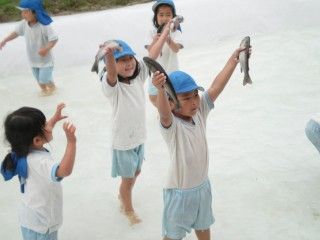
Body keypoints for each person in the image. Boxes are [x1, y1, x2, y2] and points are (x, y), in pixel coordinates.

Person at [152, 47, 250, 239]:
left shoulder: (200, 113)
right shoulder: (172, 127)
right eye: (186, 98)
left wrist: (234, 59)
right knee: (172, 236)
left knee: (204, 229)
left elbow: (215, 87)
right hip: (180, 195)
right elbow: (163, 113)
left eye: (195, 95)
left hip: (202, 188)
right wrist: (160, 90)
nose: (194, 102)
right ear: (172, 103)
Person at [0, 103, 76, 240]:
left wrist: (54, 119)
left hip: (30, 219)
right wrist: (71, 142)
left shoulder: (23, 151)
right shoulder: (39, 161)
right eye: (45, 124)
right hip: (43, 224)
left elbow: (41, 135)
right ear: (37, 140)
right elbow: (64, 171)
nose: (49, 125)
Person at [101, 40, 151, 225]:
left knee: (135, 174)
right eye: (122, 60)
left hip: (139, 138)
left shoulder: (138, 78)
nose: (128, 62)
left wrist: (166, 30)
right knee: (128, 179)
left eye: (130, 58)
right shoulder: (113, 88)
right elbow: (111, 73)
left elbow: (152, 53)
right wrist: (108, 55)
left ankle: (123, 193)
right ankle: (128, 209)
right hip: (123, 143)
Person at [0, 0, 58, 96]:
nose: (23, 14)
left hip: (45, 61)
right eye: (22, 12)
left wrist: (46, 49)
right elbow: (16, 33)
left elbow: (54, 39)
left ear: (35, 12)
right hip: (33, 60)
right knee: (39, 81)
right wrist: (4, 40)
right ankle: (44, 92)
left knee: (44, 79)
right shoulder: (24, 24)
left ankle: (53, 89)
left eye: (26, 12)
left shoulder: (44, 26)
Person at [147, 0, 183, 107]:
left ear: (173, 17)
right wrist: (155, 41)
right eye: (161, 15)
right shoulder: (152, 32)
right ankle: (162, 111)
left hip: (172, 70)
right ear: (156, 17)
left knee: (174, 96)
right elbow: (150, 52)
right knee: (153, 97)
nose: (164, 18)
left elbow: (176, 49)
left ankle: (171, 112)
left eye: (168, 15)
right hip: (156, 72)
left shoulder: (175, 31)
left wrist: (168, 39)